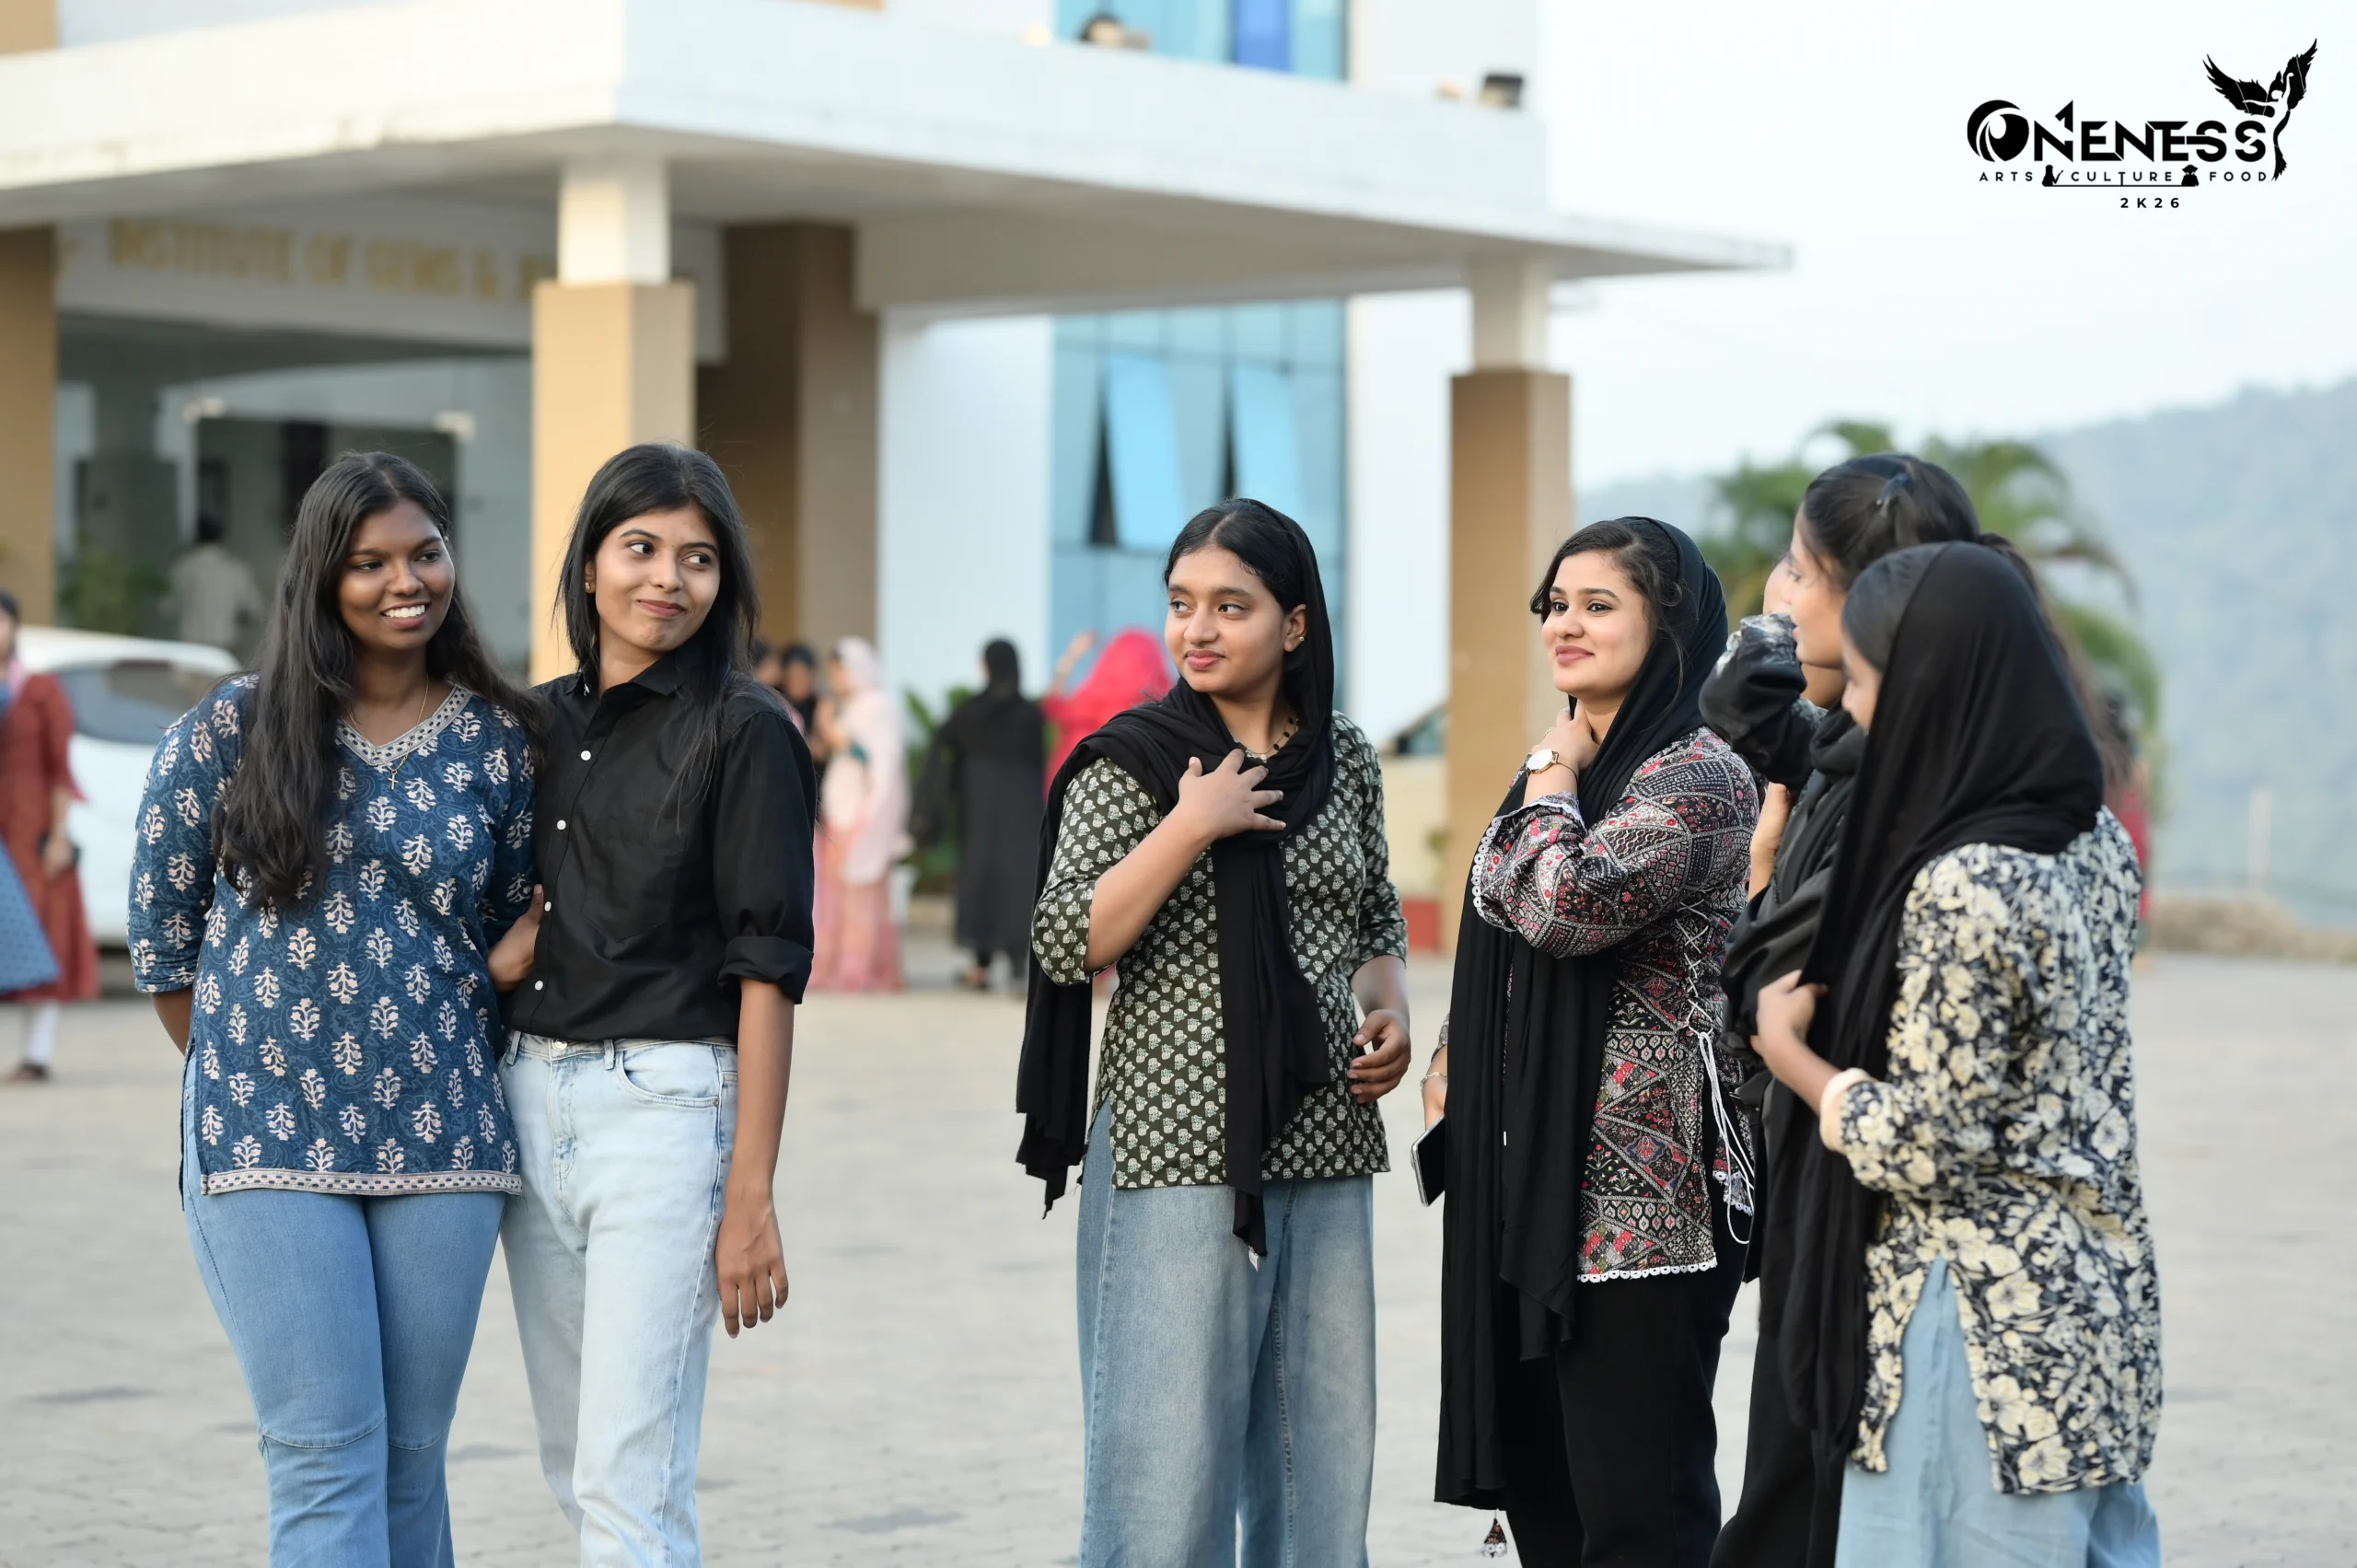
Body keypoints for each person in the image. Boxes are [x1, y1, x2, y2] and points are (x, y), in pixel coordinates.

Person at [126, 452, 541, 1565]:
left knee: (409, 1461)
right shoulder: (231, 729)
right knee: (325, 1457)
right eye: (369, 562)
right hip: (266, 1141)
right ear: (320, 576)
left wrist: (494, 968)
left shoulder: (500, 742)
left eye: (424, 553)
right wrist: (256, 1064)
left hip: (444, 1139)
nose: (405, 580)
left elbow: (514, 917)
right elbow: (162, 939)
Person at [1749, 541, 2162, 1567]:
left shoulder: (1964, 878)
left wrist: (1793, 1056)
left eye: (1868, 680)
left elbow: (1928, 1144)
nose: (1853, 708)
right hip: (2092, 1302)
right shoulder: (2093, 841)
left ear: (1933, 689)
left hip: (1973, 1329)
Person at [1021, 498, 1412, 1567]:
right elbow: (1065, 936)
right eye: (1181, 603)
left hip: (1325, 1134)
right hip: (1178, 1144)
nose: (1196, 628)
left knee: (1318, 1458)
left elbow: (1370, 913)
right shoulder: (1135, 761)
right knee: (1167, 1464)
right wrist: (1191, 824)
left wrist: (1388, 1009)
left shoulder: (1342, 755)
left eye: (1230, 606)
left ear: (1295, 623)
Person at [497, 443, 816, 1566]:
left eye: (698, 557)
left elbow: (768, 966)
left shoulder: (746, 729)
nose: (667, 579)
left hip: (664, 1109)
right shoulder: (530, 724)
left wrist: (751, 1191)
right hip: (526, 1102)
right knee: (575, 1465)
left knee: (628, 1480)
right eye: (640, 548)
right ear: (590, 563)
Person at [1426, 517, 1759, 1567]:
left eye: (1598, 604)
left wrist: (1547, 774)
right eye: (1555, 604)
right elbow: (1508, 921)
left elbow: (1559, 902)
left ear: (1670, 624)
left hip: (1648, 1205)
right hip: (1536, 1187)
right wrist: (1457, 1061)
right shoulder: (1574, 771)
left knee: (1636, 1510)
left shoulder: (1700, 777)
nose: (1564, 624)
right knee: (1550, 1502)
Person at [1700, 454, 1982, 1568]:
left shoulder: (1905, 781)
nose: (1776, 595)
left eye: (1797, 571)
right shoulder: (1856, 741)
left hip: (1861, 1185)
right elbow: (1764, 723)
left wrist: (1758, 897)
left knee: (1801, 1487)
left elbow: (1773, 983)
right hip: (1820, 1171)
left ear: (1870, 602)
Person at [0, 589, 100, 1083]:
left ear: (15, 627)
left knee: (45, 932)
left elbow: (61, 770)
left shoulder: (40, 690)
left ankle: (36, 1055)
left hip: (30, 829)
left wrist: (59, 835)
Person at [913, 638, 1046, 990]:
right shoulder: (1028, 715)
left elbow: (942, 744)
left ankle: (982, 966)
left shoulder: (971, 713)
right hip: (1022, 813)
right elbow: (1039, 766)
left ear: (987, 667)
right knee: (1018, 883)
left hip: (981, 811)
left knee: (981, 878)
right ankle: (1017, 965)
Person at [809, 635, 907, 992]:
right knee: (838, 898)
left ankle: (860, 970)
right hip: (842, 812)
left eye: (841, 670)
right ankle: (840, 968)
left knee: (861, 899)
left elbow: (883, 766)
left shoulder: (878, 706)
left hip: (860, 816)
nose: (837, 678)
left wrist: (872, 816)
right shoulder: (855, 706)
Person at [1040, 627, 1171, 783]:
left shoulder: (1087, 705)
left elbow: (1052, 704)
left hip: (1077, 792)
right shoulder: (1164, 713)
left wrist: (1071, 655)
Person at [167, 512, 268, 659]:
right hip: (224, 646)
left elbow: (167, 606)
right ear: (221, 536)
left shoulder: (183, 567)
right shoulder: (234, 568)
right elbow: (255, 611)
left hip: (190, 646)